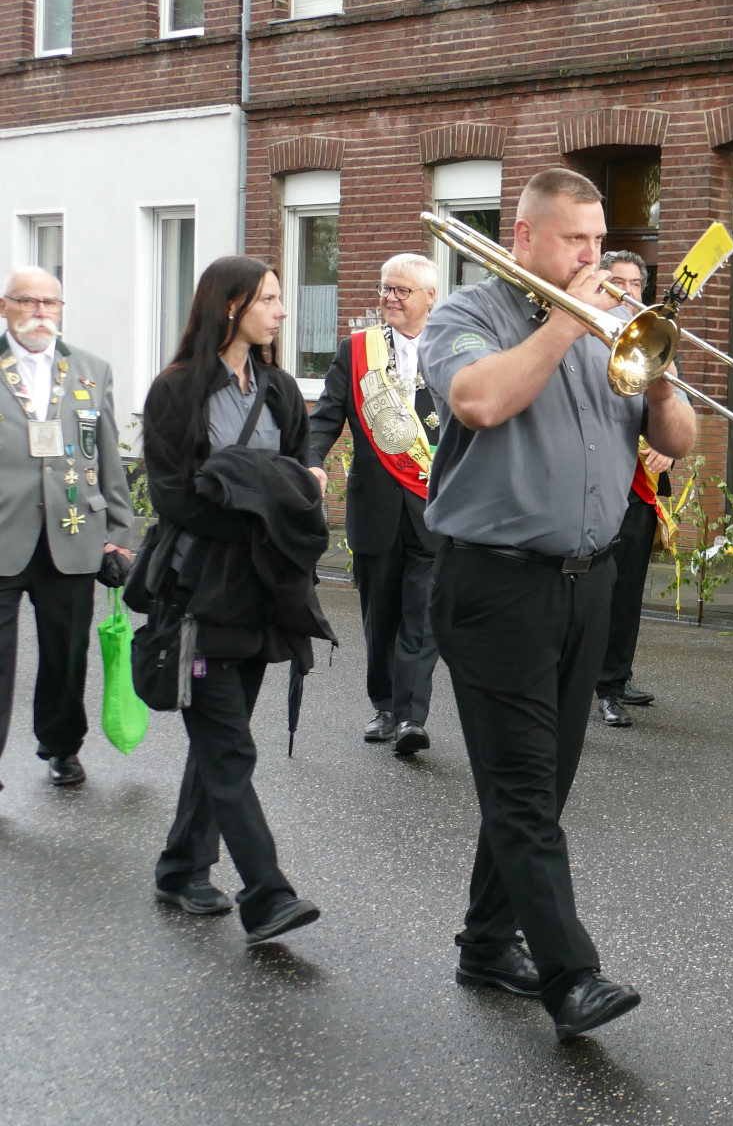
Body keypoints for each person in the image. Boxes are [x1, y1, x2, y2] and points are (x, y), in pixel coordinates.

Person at [420, 168, 696, 1038]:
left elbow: (679, 440)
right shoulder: (466, 316)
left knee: (543, 784)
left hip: (588, 581)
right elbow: (479, 400)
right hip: (495, 584)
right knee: (522, 789)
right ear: (526, 237)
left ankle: (486, 943)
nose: (594, 256)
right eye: (577, 239)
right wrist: (568, 322)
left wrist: (657, 376)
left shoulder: (615, 324)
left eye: (599, 239)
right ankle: (571, 976)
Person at [137, 256, 331, 942]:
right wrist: (264, 507)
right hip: (199, 592)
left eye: (280, 299)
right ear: (229, 306)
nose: (282, 311)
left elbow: (302, 476)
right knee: (228, 746)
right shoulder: (175, 391)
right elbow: (176, 498)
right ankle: (267, 893)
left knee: (220, 739)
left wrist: (279, 487)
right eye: (269, 299)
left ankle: (181, 867)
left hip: (264, 592)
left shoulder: (280, 388)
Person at [0, 267, 134, 793]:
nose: (40, 311)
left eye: (50, 302)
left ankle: (61, 747)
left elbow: (109, 455)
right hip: (3, 532)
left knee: (67, 653)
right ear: (5, 307)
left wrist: (120, 530)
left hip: (74, 530)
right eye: (27, 300)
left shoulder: (90, 369)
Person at [309, 254, 443, 756]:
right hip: (375, 508)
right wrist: (311, 461)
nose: (389, 297)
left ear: (430, 297)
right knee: (380, 617)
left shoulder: (453, 348)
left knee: (422, 619)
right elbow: (326, 417)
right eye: (385, 288)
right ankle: (384, 706)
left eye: (401, 290)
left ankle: (410, 717)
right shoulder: (357, 349)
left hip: (434, 507)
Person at [594, 251, 673, 728]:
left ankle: (615, 681)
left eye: (634, 284)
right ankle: (592, 683)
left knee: (627, 593)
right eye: (616, 282)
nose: (626, 292)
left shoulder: (653, 339)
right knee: (595, 591)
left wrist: (667, 449)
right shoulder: (587, 333)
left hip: (637, 489)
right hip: (594, 483)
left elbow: (671, 409)